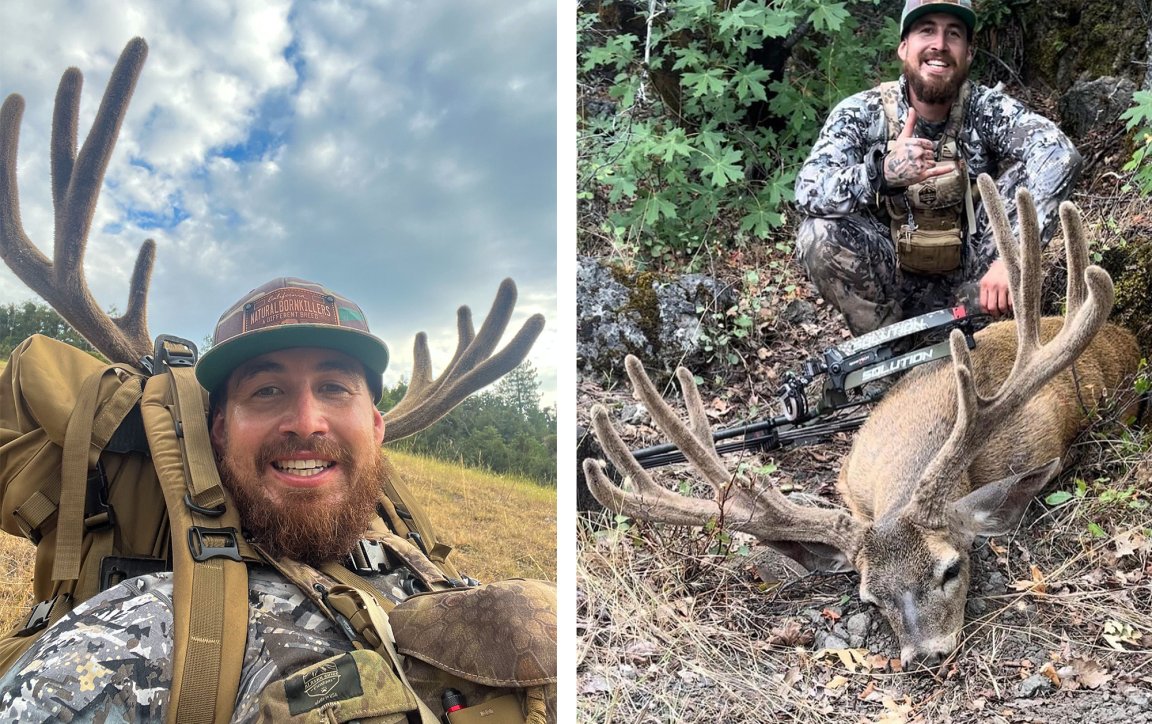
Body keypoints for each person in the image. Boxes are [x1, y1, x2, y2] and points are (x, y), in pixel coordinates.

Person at [0, 278, 555, 722]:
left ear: (377, 426)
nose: (306, 423)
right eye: (267, 391)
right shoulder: (139, 634)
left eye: (335, 388)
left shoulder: (417, 561)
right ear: (218, 432)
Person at [793, 0, 1082, 336]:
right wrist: (880, 174)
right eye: (926, 30)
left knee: (1024, 181)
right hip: (888, 283)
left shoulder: (986, 109)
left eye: (953, 34)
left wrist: (1011, 257)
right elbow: (809, 189)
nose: (940, 45)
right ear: (904, 47)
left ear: (969, 53)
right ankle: (884, 351)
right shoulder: (861, 113)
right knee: (819, 233)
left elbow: (1060, 155)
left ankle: (979, 334)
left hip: (971, 285)